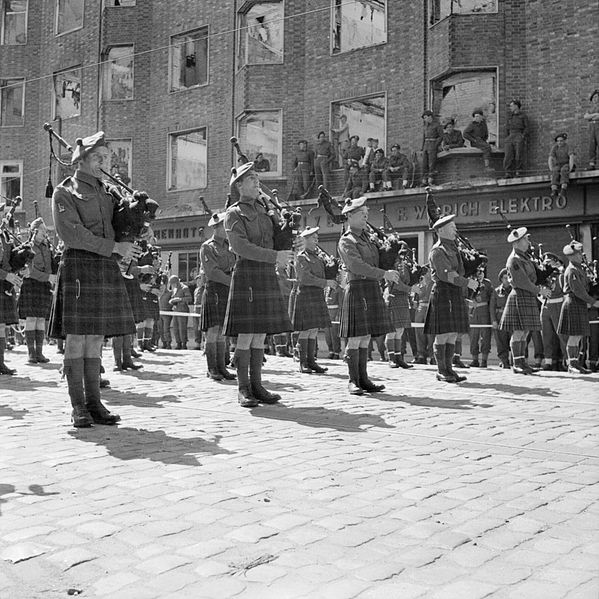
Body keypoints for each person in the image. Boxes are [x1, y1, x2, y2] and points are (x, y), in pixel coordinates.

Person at [49, 130, 141, 427]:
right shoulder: (65, 192)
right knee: (77, 339)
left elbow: (119, 226)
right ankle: (78, 407)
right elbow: (71, 233)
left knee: (96, 338)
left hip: (104, 266)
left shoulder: (108, 193)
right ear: (81, 159)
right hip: (79, 264)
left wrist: (135, 217)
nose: (105, 163)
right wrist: (113, 247)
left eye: (107, 158)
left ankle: (94, 403)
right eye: (98, 157)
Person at [223, 162, 293, 408]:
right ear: (239, 185)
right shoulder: (234, 213)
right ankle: (243, 388)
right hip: (248, 273)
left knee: (260, 333)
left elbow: (276, 240)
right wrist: (275, 257)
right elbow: (241, 247)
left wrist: (286, 226)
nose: (256, 182)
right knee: (247, 333)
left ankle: (257, 385)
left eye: (256, 178)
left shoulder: (265, 211)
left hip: (265, 273)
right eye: (250, 179)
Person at [337, 197, 400, 395]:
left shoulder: (369, 238)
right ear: (350, 216)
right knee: (356, 337)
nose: (366, 217)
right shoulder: (347, 240)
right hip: (358, 287)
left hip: (371, 287)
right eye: (361, 214)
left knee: (365, 337)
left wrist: (391, 249)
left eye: (366, 213)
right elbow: (356, 265)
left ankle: (364, 379)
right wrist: (383, 274)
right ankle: (352, 380)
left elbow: (380, 261)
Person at [424, 215, 478, 382]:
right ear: (440, 230)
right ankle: (442, 370)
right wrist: (467, 282)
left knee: (453, 333)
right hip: (443, 291)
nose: (455, 229)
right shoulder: (438, 251)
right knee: (443, 334)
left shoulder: (455, 248)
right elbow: (447, 275)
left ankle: (449, 369)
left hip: (455, 292)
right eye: (452, 227)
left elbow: (461, 270)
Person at [292, 227, 334, 374]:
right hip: (306, 293)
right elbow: (305, 278)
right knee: (306, 330)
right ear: (306, 239)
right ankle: (303, 362)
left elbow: (325, 273)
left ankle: (311, 361)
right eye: (314, 238)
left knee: (314, 329)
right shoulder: (301, 257)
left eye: (317, 238)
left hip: (317, 294)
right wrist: (325, 283)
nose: (317, 241)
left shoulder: (318, 257)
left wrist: (332, 267)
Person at [200, 211, 236, 381]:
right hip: (215, 288)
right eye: (224, 225)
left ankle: (222, 366)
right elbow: (212, 272)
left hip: (227, 289)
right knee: (213, 331)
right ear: (216, 227)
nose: (227, 228)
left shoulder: (230, 246)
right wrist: (232, 282)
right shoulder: (208, 247)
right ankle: (212, 368)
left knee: (223, 330)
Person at [499, 226, 540, 374]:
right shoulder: (514, 259)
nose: (528, 241)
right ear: (517, 242)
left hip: (527, 295)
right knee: (518, 331)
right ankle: (517, 363)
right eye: (526, 239)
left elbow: (532, 277)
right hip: (521, 294)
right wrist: (539, 290)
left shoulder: (524, 257)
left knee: (525, 331)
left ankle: (522, 362)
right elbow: (522, 280)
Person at [18, 218, 56, 364]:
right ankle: (31, 354)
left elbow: (50, 266)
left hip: (44, 286)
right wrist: (48, 277)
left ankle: (39, 353)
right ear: (34, 231)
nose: (45, 233)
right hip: (31, 285)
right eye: (43, 231)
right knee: (31, 319)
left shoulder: (47, 247)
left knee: (41, 319)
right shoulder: (27, 247)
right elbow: (29, 272)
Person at [557, 240, 599, 374]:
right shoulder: (572, 270)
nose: (581, 255)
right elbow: (579, 290)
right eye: (579, 253)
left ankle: (575, 363)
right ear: (572, 256)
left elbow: (586, 287)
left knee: (579, 335)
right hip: (573, 302)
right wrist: (593, 302)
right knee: (574, 335)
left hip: (579, 303)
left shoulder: (579, 269)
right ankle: (572, 364)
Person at [384, 243, 414, 369]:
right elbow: (397, 284)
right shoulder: (391, 266)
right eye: (401, 252)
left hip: (403, 298)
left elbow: (408, 280)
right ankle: (391, 359)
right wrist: (411, 288)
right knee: (392, 331)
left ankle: (399, 358)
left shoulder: (406, 265)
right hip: (393, 296)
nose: (403, 255)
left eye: (405, 252)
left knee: (400, 330)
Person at [539, 252, 567, 371]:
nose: (547, 264)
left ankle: (567, 359)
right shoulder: (543, 275)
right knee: (546, 335)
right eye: (546, 262)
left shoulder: (560, 274)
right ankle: (548, 360)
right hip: (545, 306)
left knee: (561, 334)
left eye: (549, 262)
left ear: (556, 262)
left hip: (558, 304)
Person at [0, 227, 19, 375]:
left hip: (2, 284)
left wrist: (22, 267)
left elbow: (12, 257)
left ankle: (0, 363)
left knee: (1, 326)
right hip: (2, 278)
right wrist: (5, 275)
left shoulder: (4, 235)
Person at [467, 266, 493, 368]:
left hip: (484, 311)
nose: (480, 274)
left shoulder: (487, 283)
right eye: (478, 272)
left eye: (482, 272)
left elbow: (492, 299)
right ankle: (475, 360)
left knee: (485, 336)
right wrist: (470, 302)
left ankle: (484, 360)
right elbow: (465, 296)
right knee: (473, 336)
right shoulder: (470, 282)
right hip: (473, 312)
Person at [490, 268, 512, 369]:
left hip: (512, 318)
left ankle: (515, 361)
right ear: (501, 279)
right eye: (505, 278)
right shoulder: (496, 291)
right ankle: (504, 361)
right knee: (501, 341)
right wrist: (494, 320)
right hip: (500, 318)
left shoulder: (514, 290)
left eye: (509, 277)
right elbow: (492, 307)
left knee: (513, 340)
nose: (507, 280)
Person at [413, 266, 434, 365]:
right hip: (420, 309)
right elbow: (414, 300)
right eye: (424, 272)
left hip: (430, 307)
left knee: (430, 334)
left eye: (427, 271)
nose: (425, 274)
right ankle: (421, 355)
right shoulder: (419, 284)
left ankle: (433, 355)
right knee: (419, 333)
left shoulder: (434, 284)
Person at [503, 99, 529, 178]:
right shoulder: (509, 116)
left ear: (516, 106)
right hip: (510, 135)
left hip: (518, 135)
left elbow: (527, 127)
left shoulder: (523, 116)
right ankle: (508, 172)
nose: (510, 107)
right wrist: (507, 137)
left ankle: (519, 171)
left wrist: (523, 136)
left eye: (511, 106)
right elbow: (506, 128)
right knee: (508, 155)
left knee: (519, 154)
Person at [549, 133, 575, 200]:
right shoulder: (555, 147)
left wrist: (570, 168)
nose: (559, 142)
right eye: (558, 141)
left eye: (561, 141)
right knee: (555, 171)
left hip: (566, 163)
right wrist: (551, 169)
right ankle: (554, 189)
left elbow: (571, 157)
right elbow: (550, 158)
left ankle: (563, 189)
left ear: (564, 141)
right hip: (558, 164)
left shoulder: (568, 147)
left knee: (564, 170)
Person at [168, 275, 191, 349]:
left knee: (182, 328)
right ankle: (178, 343)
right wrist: (172, 301)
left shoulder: (184, 288)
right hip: (176, 310)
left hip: (183, 310)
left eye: (173, 283)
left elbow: (189, 298)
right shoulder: (175, 289)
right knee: (175, 328)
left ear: (177, 282)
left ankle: (184, 343)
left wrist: (180, 299)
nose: (172, 285)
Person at [421, 110, 443, 185]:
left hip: (432, 144)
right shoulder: (425, 126)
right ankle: (424, 180)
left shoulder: (437, 125)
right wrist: (422, 148)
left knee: (431, 163)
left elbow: (441, 136)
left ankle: (430, 180)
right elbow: (424, 138)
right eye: (424, 118)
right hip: (426, 145)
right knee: (424, 163)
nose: (425, 119)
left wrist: (435, 145)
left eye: (425, 117)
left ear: (430, 116)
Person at [583, 89, 599, 169]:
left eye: (597, 97)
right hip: (591, 128)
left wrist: (591, 116)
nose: (596, 99)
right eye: (594, 97)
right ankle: (592, 164)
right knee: (591, 146)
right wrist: (595, 114)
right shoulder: (590, 109)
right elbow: (585, 116)